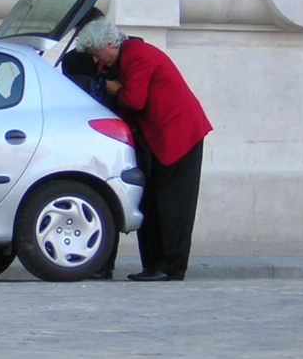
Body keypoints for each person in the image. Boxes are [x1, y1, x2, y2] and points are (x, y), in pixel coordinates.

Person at [75, 20, 212, 282]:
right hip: (159, 136)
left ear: (108, 45)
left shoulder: (139, 56)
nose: (95, 62)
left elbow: (134, 100)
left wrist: (116, 89)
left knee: (174, 203)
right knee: (152, 200)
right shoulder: (123, 58)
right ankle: (153, 264)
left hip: (178, 134)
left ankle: (171, 267)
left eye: (95, 54)